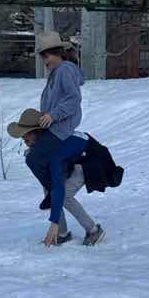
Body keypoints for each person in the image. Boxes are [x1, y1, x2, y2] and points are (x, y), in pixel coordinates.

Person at [7, 108, 124, 248]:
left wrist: (54, 221)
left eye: (26, 134)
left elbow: (58, 185)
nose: (23, 138)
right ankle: (61, 234)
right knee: (49, 189)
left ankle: (94, 231)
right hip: (75, 159)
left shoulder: (55, 151)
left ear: (38, 132)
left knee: (64, 195)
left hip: (93, 160)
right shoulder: (46, 143)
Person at [24, 31, 85, 197]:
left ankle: (55, 192)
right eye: (42, 57)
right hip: (53, 126)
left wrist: (53, 115)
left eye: (45, 57)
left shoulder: (65, 70)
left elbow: (73, 99)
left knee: (33, 159)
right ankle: (56, 188)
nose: (44, 61)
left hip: (60, 127)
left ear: (56, 54)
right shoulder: (57, 72)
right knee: (32, 155)